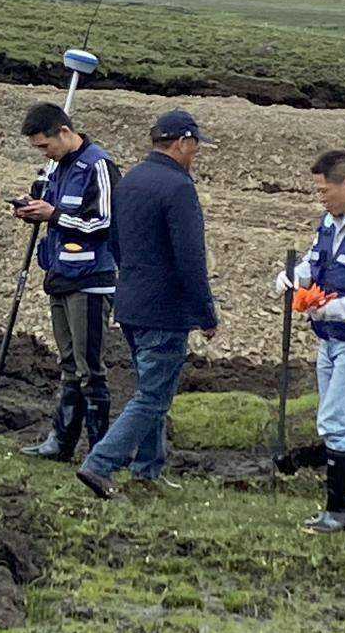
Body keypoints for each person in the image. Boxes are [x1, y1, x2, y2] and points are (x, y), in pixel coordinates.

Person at [76, 109, 219, 498]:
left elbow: (115, 242)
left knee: (149, 388)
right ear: (182, 143)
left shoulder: (131, 180)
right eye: (194, 147)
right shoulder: (178, 188)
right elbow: (191, 258)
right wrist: (205, 312)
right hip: (165, 310)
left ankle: (148, 470)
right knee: (154, 395)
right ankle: (100, 464)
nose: (195, 154)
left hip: (131, 303)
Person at [13, 103, 121, 462]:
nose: (44, 154)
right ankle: (61, 443)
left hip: (90, 281)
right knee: (69, 364)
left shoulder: (99, 167)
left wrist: (54, 215)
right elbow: (57, 214)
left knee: (90, 368)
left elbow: (105, 224)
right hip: (60, 276)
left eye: (45, 146)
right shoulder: (57, 169)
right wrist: (33, 210)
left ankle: (99, 451)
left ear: (63, 131)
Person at [273, 151, 345, 532]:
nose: (320, 197)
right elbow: (313, 262)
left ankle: (338, 510)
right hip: (329, 341)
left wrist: (330, 310)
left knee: (338, 422)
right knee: (341, 421)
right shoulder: (328, 223)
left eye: (325, 191)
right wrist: (294, 277)